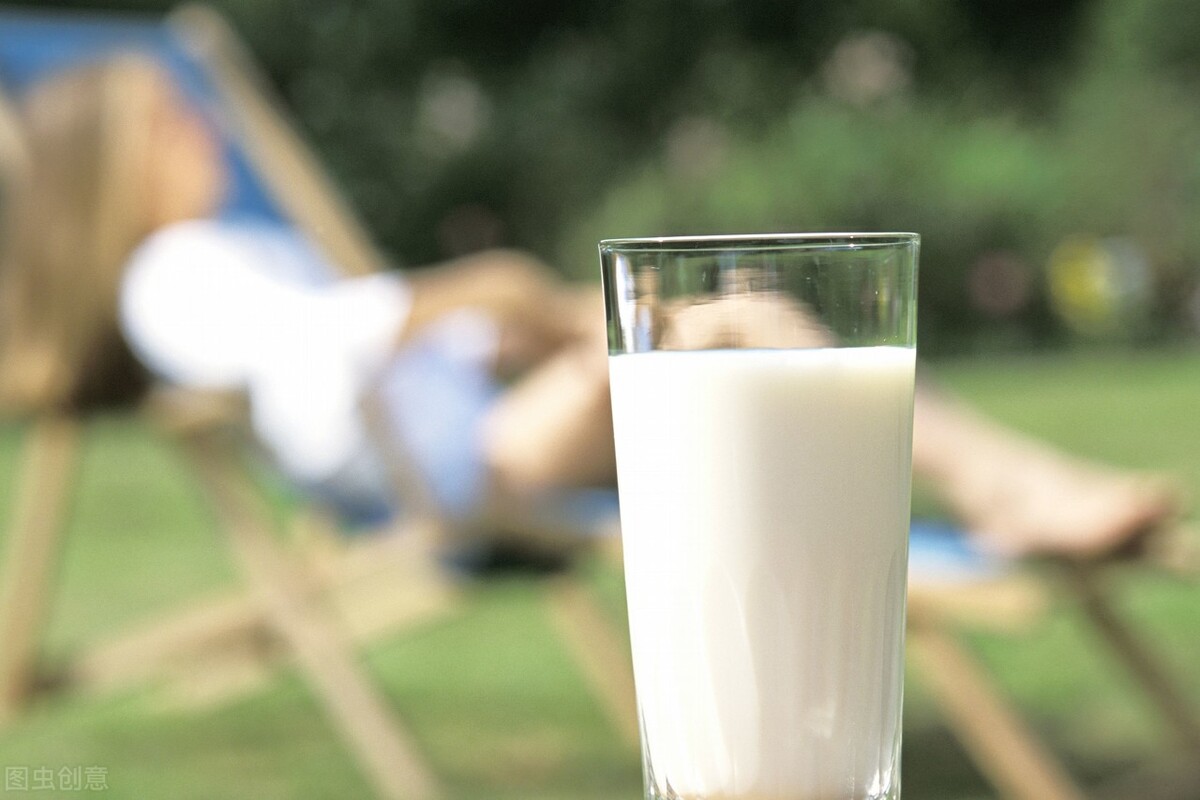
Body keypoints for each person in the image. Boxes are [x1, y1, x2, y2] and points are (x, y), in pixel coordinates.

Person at [0, 56, 1181, 558]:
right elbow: (311, 358)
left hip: (473, 430)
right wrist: (476, 291)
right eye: (170, 120)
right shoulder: (172, 275)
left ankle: (981, 483)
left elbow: (346, 346)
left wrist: (482, 321)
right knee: (745, 320)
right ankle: (1000, 482)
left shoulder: (222, 253)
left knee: (729, 329)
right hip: (469, 469)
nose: (201, 124)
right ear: (110, 172)